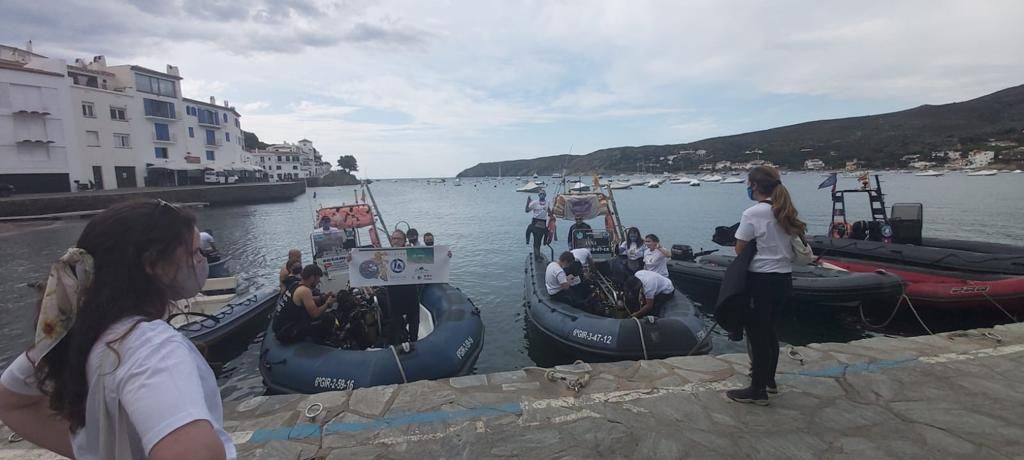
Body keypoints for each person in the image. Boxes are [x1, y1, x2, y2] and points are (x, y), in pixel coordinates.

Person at [0, 199, 233, 459]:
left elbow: (12, 401)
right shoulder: (153, 348)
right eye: (194, 253)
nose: (202, 260)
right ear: (155, 265)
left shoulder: (77, 334)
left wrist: (91, 451)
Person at [725, 166, 805, 406]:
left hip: (760, 279)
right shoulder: (784, 210)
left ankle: (757, 390)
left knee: (757, 336)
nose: (748, 188)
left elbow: (740, 248)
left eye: (748, 184)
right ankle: (768, 381)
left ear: (756, 186)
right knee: (770, 332)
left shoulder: (753, 213)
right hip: (783, 278)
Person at [273, 264, 337, 344]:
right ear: (312, 277)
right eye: (318, 279)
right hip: (287, 332)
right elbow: (315, 314)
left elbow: (308, 300)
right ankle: (322, 343)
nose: (318, 282)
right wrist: (327, 304)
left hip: (279, 328)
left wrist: (323, 297)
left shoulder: (295, 284)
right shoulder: (305, 291)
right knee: (328, 318)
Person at [384, 230, 421, 348]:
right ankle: (401, 341)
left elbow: (431, 261)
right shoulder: (384, 254)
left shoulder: (411, 253)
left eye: (398, 238)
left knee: (414, 318)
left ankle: (414, 340)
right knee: (396, 322)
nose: (395, 241)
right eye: (393, 238)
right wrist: (352, 259)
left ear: (404, 240)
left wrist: (445, 256)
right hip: (394, 293)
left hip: (410, 291)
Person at [525, 192, 550, 261]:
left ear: (545, 195)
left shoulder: (547, 202)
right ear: (539, 195)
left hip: (543, 224)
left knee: (540, 241)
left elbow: (549, 211)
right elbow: (526, 210)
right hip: (535, 223)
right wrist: (528, 202)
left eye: (543, 194)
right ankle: (536, 256)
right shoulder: (534, 203)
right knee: (536, 241)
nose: (542, 195)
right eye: (541, 194)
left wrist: (552, 216)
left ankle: (538, 254)